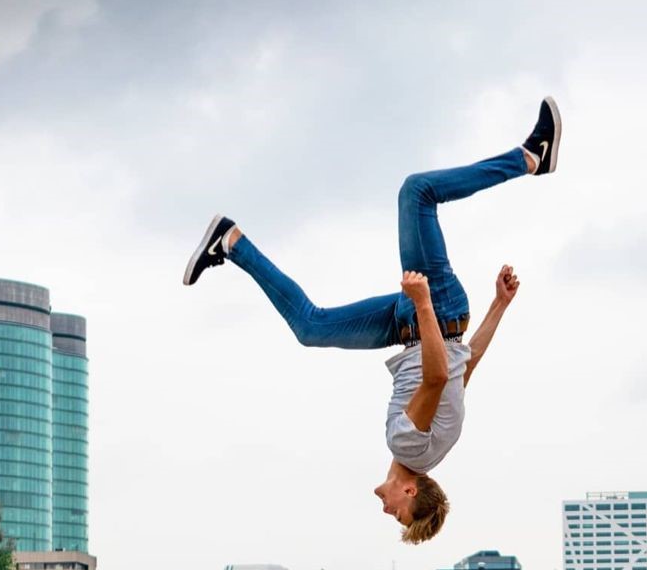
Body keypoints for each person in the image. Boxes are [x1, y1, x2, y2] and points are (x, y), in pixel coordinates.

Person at [183, 97, 561, 544]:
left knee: (312, 328)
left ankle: (230, 241)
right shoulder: (408, 447)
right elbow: (438, 376)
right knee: (416, 191)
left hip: (421, 324)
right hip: (430, 315)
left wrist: (499, 305)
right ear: (410, 489)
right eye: (399, 515)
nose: (387, 511)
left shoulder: (437, 450)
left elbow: (464, 366)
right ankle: (530, 157)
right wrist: (422, 303)